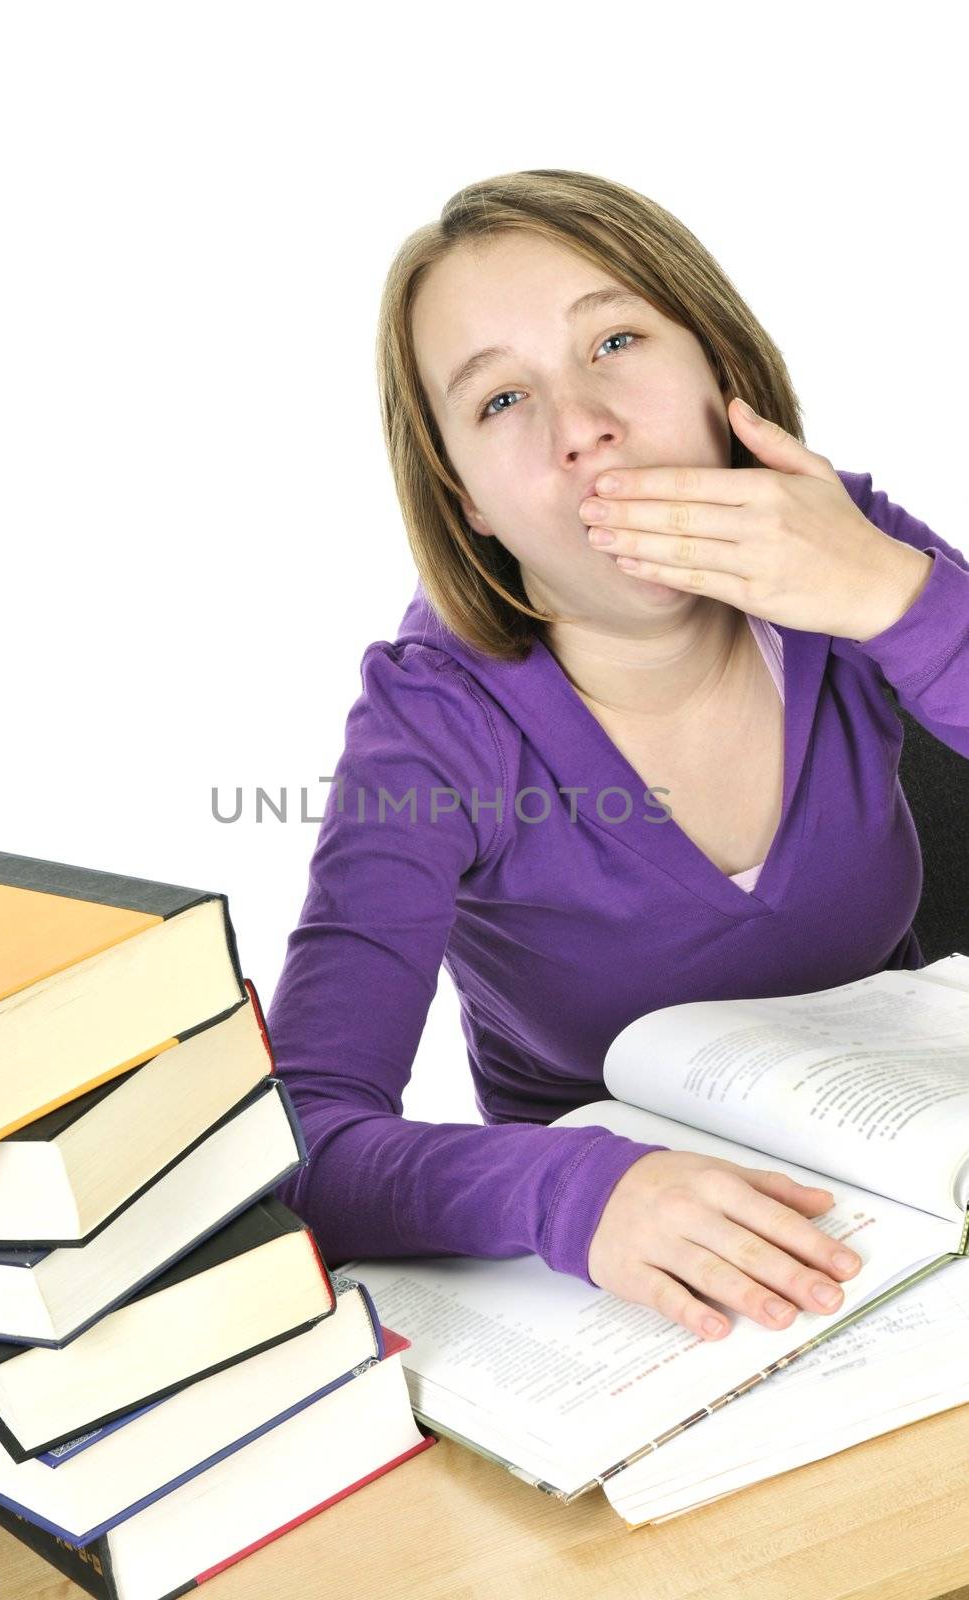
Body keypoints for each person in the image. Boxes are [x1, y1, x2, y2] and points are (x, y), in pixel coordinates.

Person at [266, 168, 969, 1345]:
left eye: (617, 339)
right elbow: (302, 1139)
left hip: (912, 1163)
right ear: (469, 501)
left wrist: (903, 599)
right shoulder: (432, 723)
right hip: (634, 1273)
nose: (581, 425)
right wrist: (575, 1192)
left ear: (723, 374)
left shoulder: (838, 541)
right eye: (498, 401)